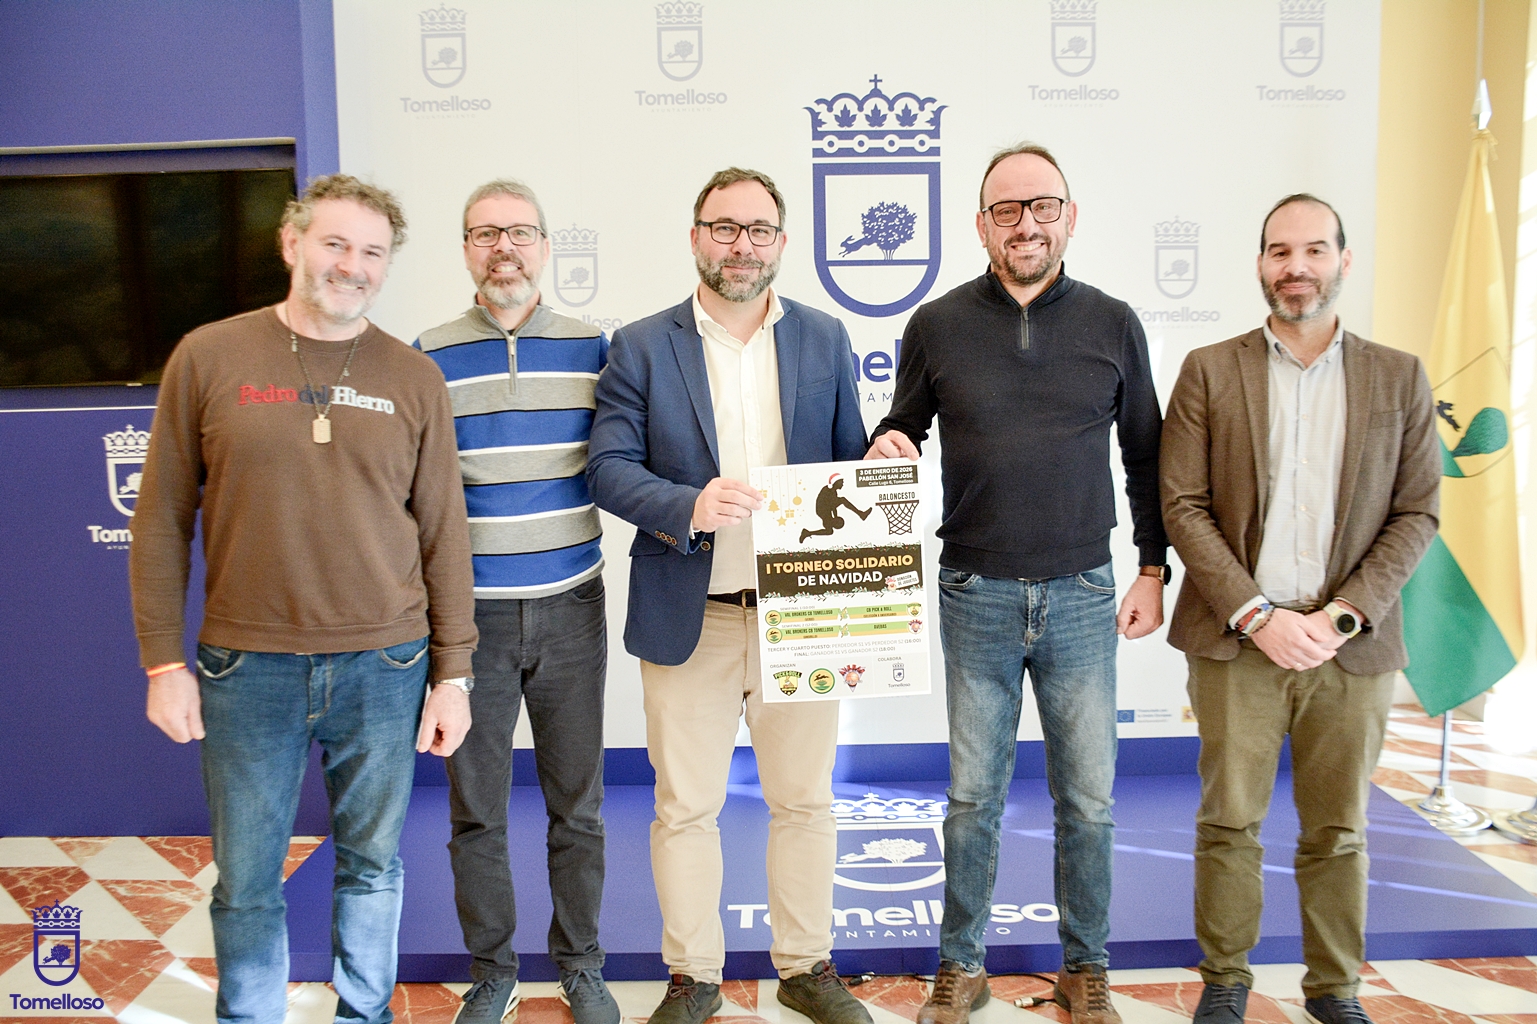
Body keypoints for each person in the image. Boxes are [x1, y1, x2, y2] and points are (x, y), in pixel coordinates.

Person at [128, 174, 477, 1024]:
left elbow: (443, 532)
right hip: (246, 667)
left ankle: (362, 1014)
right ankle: (250, 1016)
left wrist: (453, 674)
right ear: (292, 244)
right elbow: (162, 519)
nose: (350, 266)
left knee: (373, 866)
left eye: (371, 252)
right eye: (334, 243)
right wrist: (162, 661)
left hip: (386, 663)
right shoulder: (208, 357)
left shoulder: (413, 375)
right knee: (247, 877)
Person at [867, 143, 1169, 1024]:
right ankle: (961, 966)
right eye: (1007, 210)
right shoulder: (936, 323)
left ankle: (1087, 968)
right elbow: (903, 423)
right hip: (975, 592)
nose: (1026, 223)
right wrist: (891, 442)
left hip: (1080, 592)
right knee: (971, 799)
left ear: (1069, 216)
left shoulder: (1114, 323)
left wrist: (1152, 568)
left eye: (1042, 206)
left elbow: (1144, 455)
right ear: (980, 225)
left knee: (1088, 801)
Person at [587, 167, 871, 1024]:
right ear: (695, 237)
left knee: (805, 801)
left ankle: (805, 965)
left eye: (757, 229)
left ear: (780, 243)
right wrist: (689, 505)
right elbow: (606, 467)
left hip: (802, 615)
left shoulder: (824, 338)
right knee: (685, 809)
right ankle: (694, 977)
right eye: (723, 227)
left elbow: (848, 469)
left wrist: (882, 467)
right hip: (691, 614)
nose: (739, 244)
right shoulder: (640, 345)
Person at [1160, 194, 1438, 1024]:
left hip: (1346, 647)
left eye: (1314, 251)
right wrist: (1257, 615)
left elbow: (1416, 511)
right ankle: (1224, 981)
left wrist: (1341, 615)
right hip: (1237, 640)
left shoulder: (1399, 376)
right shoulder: (1210, 369)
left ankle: (1334, 989)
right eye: (1279, 253)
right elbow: (1182, 504)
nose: (1295, 268)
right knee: (1229, 821)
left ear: (1343, 262)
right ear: (1258, 266)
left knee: (1338, 830)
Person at [415, 179, 616, 1024]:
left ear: (545, 246)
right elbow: (417, 499)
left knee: (579, 805)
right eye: (485, 233)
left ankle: (581, 966)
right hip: (473, 624)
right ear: (464, 248)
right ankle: (493, 970)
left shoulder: (594, 349)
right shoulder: (425, 355)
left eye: (520, 233)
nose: (504, 247)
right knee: (477, 811)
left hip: (573, 607)